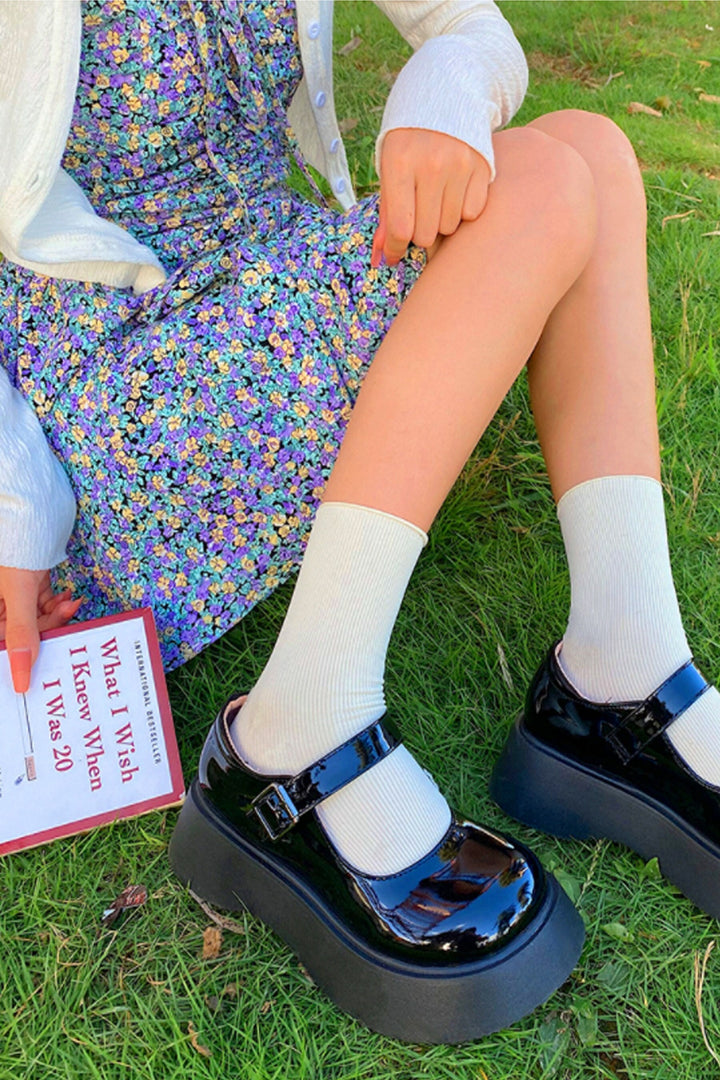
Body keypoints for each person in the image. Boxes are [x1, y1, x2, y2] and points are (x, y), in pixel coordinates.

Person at [2, 0, 719, 1046]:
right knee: (551, 181)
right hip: (119, 376)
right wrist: (14, 512)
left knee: (594, 151)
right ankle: (295, 732)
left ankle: (623, 668)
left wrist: (442, 92)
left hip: (262, 278)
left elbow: (467, 25)